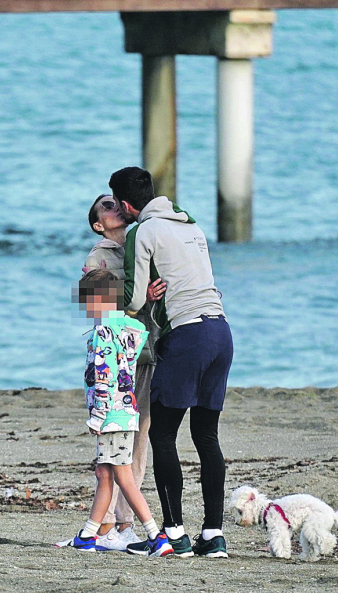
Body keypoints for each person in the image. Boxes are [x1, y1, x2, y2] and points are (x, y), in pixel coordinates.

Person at [110, 166, 234, 559]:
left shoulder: (141, 232)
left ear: (128, 204)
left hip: (187, 336)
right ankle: (213, 536)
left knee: (162, 435)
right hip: (221, 332)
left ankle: (174, 534)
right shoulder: (192, 227)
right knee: (206, 436)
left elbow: (131, 300)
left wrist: (137, 294)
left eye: (117, 204)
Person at [68, 268, 173, 557]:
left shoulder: (103, 331)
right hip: (127, 413)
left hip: (111, 414)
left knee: (123, 477)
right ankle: (88, 535)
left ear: (100, 300)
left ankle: (156, 535)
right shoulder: (130, 329)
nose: (85, 308)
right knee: (105, 472)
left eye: (87, 301)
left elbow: (104, 376)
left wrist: (97, 416)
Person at [81, 194, 166, 550]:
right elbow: (100, 309)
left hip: (146, 350)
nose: (114, 207)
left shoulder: (141, 241)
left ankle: (117, 525)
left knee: (137, 439)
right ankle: (118, 524)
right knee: (119, 451)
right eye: (105, 206)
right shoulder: (97, 258)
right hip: (121, 366)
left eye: (116, 202)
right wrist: (140, 297)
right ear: (98, 224)